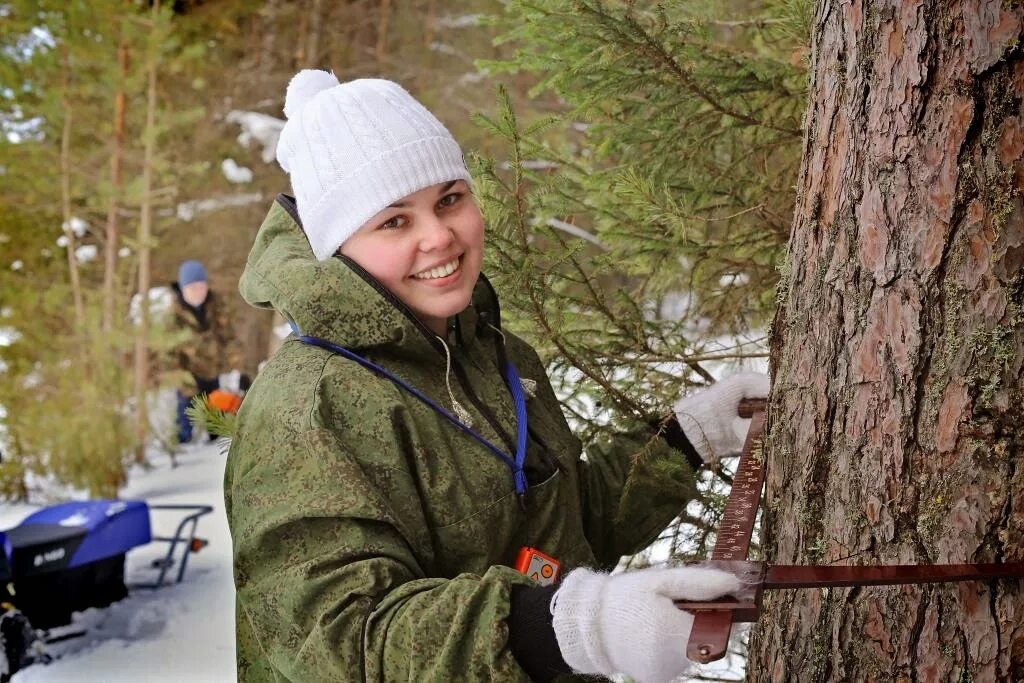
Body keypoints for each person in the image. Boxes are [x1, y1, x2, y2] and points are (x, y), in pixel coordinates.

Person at [224, 70, 769, 683]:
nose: (439, 237)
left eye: (449, 199)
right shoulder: (308, 406)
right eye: (393, 221)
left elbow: (559, 528)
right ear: (337, 245)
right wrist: (567, 627)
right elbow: (342, 646)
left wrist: (683, 440)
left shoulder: (495, 354)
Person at [170, 259, 246, 444]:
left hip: (214, 372)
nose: (197, 292)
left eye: (200, 286)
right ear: (182, 289)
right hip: (188, 376)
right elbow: (169, 356)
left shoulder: (217, 306)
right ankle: (182, 447)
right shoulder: (173, 316)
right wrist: (183, 382)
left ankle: (214, 442)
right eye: (192, 288)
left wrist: (238, 370)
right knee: (185, 419)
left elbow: (229, 340)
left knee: (217, 422)